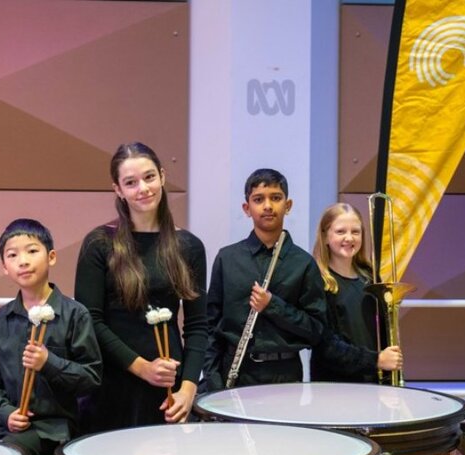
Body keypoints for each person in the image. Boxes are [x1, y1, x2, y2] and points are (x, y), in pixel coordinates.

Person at [74, 142, 207, 432]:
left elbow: (198, 326)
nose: (143, 188)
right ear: (118, 190)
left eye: (149, 177)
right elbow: (90, 321)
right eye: (130, 183)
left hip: (168, 386)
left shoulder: (189, 246)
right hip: (113, 381)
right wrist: (142, 367)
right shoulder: (98, 243)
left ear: (161, 176)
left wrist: (188, 388)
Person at [0, 219, 102, 455]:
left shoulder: (75, 314)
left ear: (51, 257)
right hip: (2, 424)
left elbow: (91, 378)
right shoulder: (0, 321)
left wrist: (49, 362)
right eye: (12, 255)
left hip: (51, 428)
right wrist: (6, 412)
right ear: (4, 267)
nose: (23, 261)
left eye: (32, 251)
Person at [204, 168, 327, 390]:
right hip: (233, 373)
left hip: (285, 375)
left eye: (276, 198)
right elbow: (211, 326)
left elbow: (317, 331)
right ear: (247, 208)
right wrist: (213, 381)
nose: (268, 206)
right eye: (258, 199)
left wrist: (273, 306)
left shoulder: (304, 264)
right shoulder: (227, 258)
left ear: (287, 206)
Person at [310, 202, 402, 382]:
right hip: (335, 387)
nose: (349, 238)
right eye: (340, 231)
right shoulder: (318, 282)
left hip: (374, 383)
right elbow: (326, 347)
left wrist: (393, 376)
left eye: (355, 232)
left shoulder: (371, 278)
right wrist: (376, 360)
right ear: (325, 237)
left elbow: (385, 337)